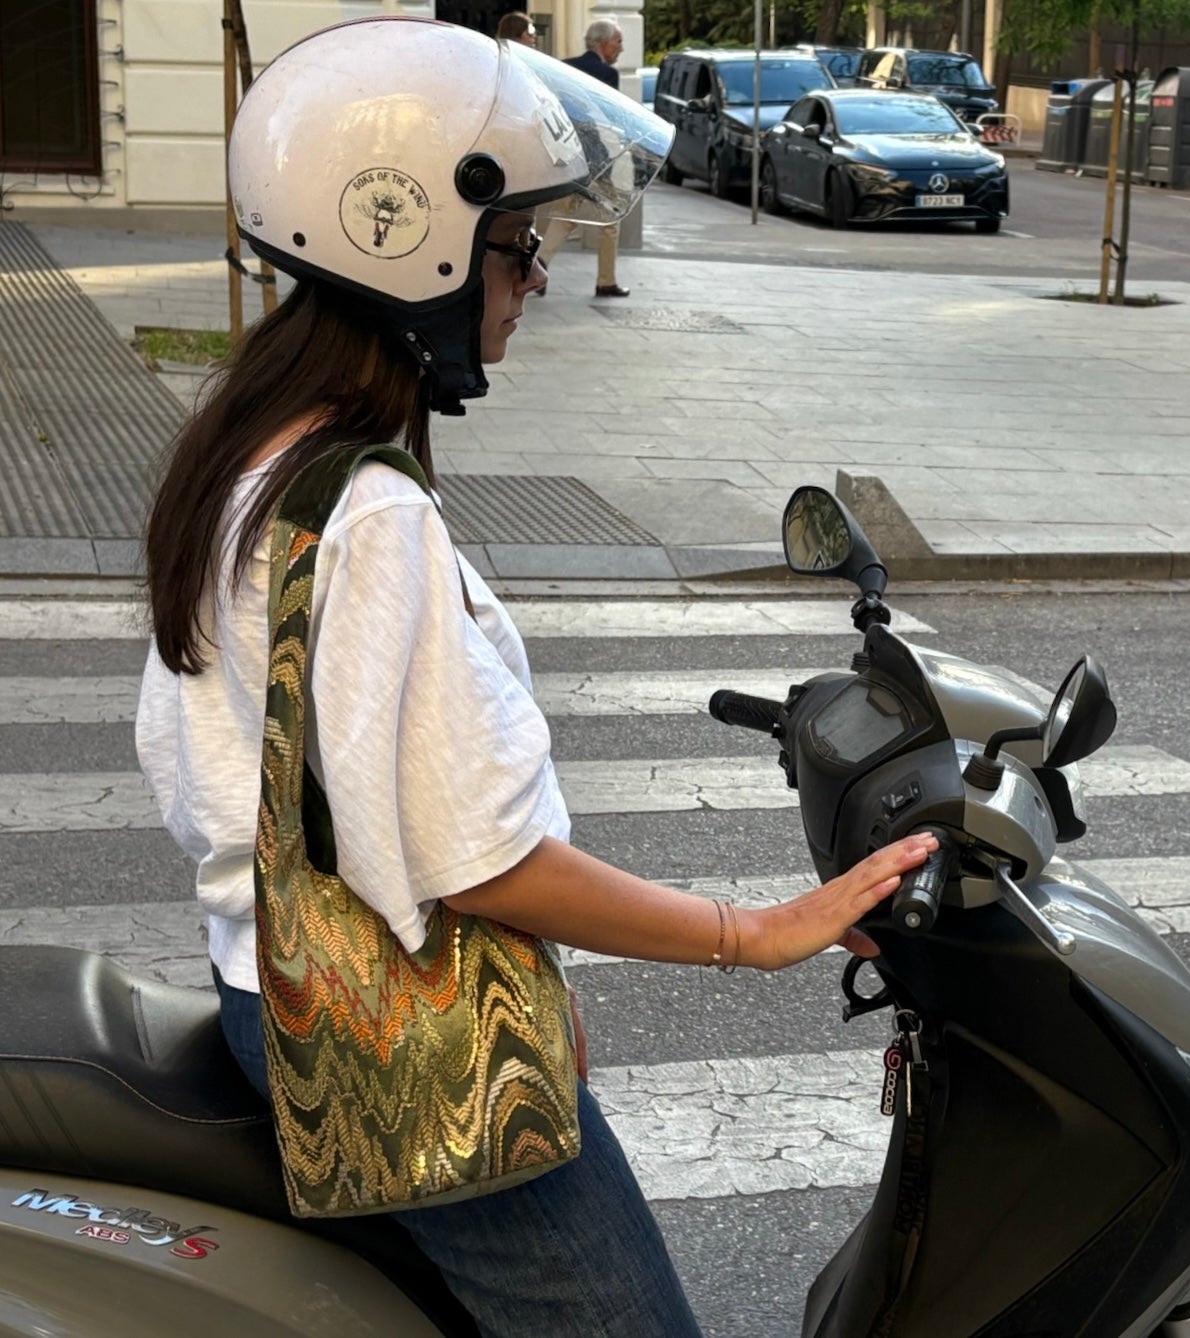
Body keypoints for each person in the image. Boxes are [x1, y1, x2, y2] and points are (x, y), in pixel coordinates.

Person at [136, 18, 934, 1336]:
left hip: (281, 993)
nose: (536, 279)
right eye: (517, 246)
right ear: (414, 247)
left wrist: (525, 993)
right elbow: (479, 862)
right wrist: (752, 933)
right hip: (401, 1039)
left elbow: (206, 774)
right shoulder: (369, 512)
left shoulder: (252, 455)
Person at [537, 18, 630, 298]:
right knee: (611, 217)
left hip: (569, 153)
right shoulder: (607, 74)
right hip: (597, 159)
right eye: (618, 41)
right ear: (602, 43)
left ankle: (537, 268)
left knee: (565, 215)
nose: (621, 48)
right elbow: (608, 119)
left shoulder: (564, 67)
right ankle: (606, 280)